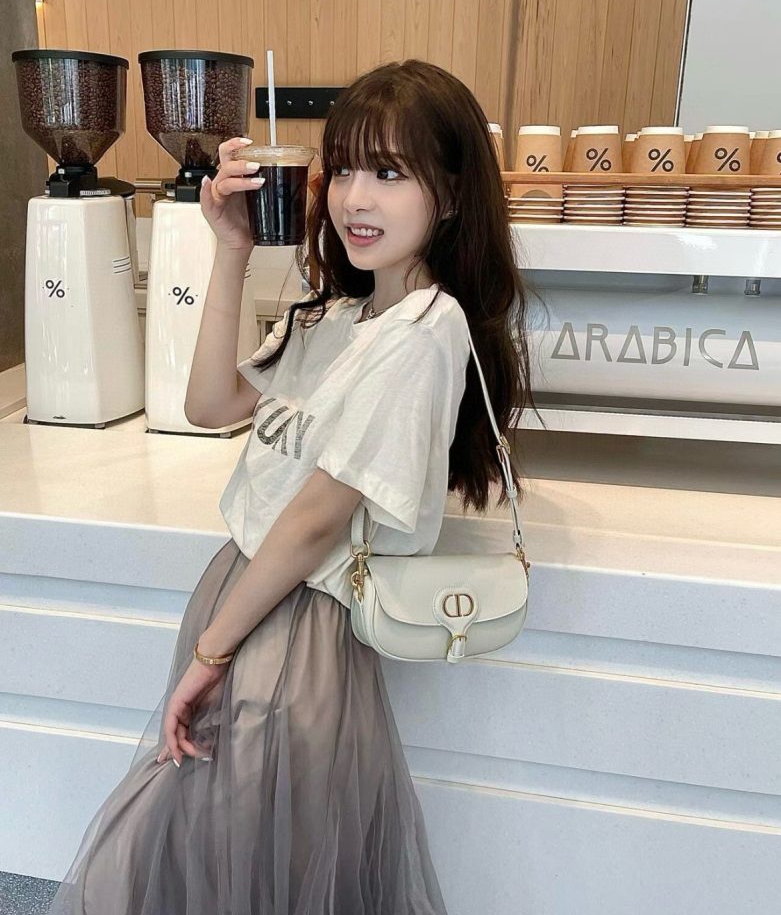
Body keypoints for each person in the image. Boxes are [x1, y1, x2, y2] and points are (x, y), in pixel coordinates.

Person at [45, 58, 540, 915]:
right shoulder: (341, 315)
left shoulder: (423, 330)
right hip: (247, 601)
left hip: (293, 626)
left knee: (245, 856)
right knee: (222, 854)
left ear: (453, 194)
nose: (354, 199)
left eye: (390, 173)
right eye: (343, 169)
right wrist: (231, 249)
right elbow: (209, 405)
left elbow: (316, 520)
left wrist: (210, 657)